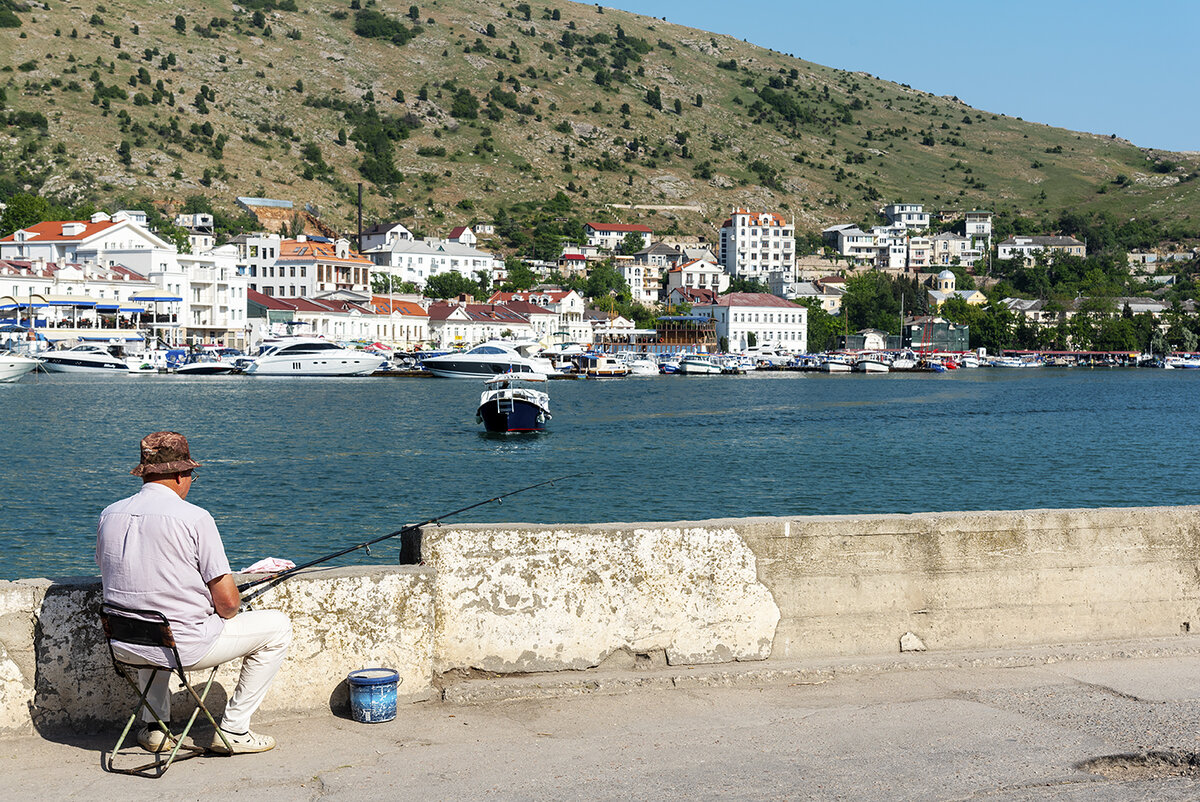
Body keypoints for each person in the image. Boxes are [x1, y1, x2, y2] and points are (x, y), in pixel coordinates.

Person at [96, 431, 292, 755]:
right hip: (184, 648)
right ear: (178, 474)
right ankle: (234, 729)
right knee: (278, 627)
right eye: (191, 476)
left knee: (147, 616)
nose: (190, 482)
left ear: (145, 473)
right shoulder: (195, 518)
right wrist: (219, 607)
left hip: (124, 643)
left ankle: (155, 728)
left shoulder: (109, 515)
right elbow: (228, 604)